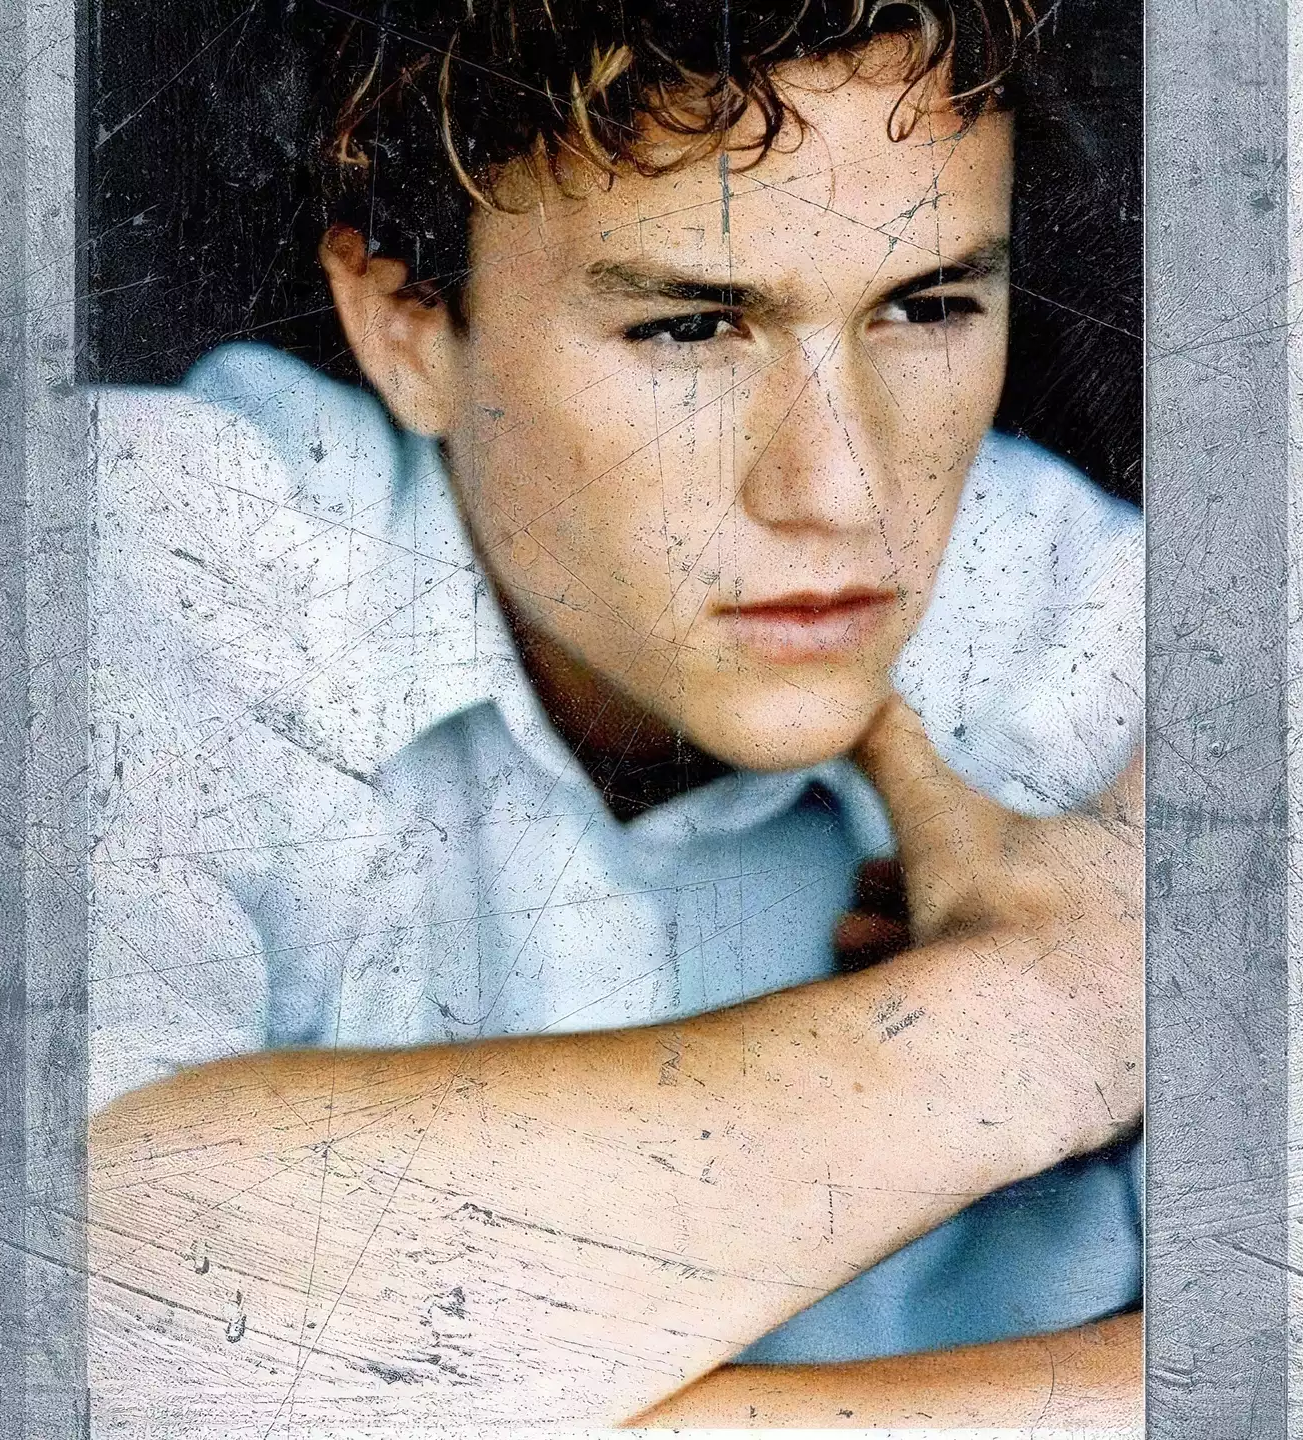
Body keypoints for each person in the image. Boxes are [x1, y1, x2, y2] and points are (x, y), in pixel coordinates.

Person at [86, 0, 1143, 1427]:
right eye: (693, 327)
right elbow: (36, 1300)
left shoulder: (1128, 652)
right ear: (403, 320)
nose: (838, 491)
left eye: (927, 308)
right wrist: (1043, 1013)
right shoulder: (150, 560)